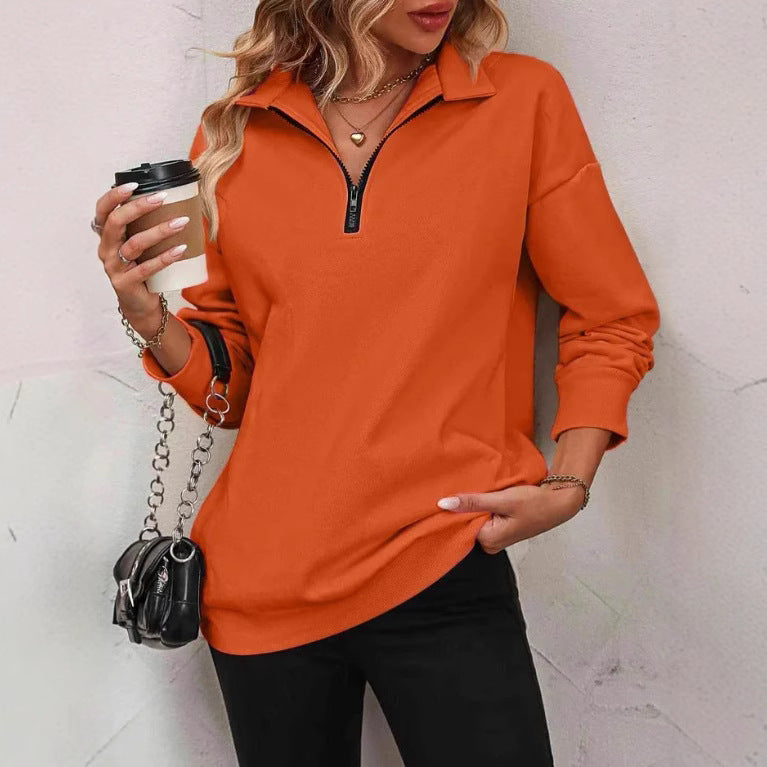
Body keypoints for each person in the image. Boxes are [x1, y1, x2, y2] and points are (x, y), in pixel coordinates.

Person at [92, 1, 660, 764]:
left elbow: (610, 314)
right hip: (262, 584)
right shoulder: (234, 131)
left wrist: (569, 479)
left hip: (445, 557)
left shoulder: (520, 99)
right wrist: (146, 313)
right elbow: (236, 384)